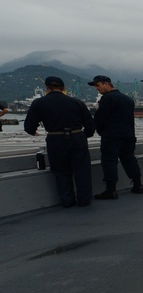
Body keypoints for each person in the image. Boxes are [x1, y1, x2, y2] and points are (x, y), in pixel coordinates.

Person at [23, 76, 96, 207]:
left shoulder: (39, 103)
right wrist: (82, 135)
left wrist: (34, 132)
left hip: (55, 138)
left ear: (46, 87)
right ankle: (84, 200)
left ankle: (67, 201)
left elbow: (29, 127)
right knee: (82, 171)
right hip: (77, 137)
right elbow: (90, 127)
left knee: (61, 171)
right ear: (63, 88)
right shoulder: (77, 102)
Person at [90, 75, 143, 198]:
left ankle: (111, 190)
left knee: (109, 161)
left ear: (106, 84)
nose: (96, 89)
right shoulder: (127, 99)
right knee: (129, 159)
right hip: (129, 135)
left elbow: (100, 118)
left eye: (98, 85)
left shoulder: (107, 99)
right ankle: (138, 184)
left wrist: (100, 130)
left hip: (112, 136)